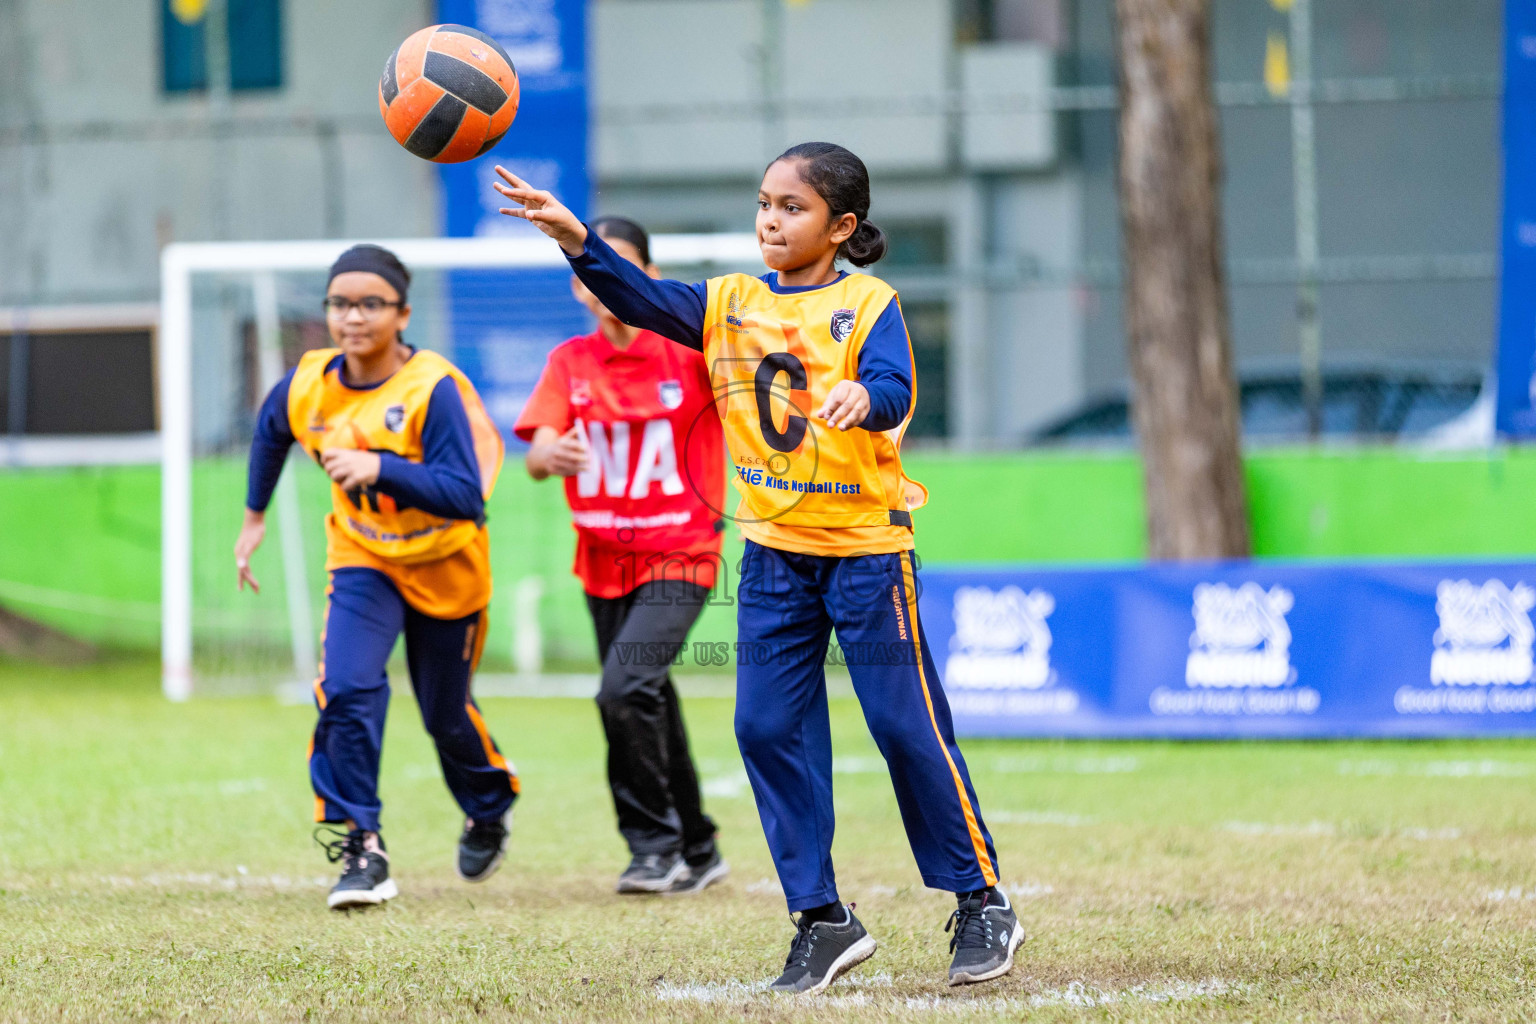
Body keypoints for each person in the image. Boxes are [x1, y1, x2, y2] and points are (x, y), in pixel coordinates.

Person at [491, 144, 1021, 992]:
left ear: (841, 227)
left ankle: (981, 900)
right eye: (765, 203)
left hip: (865, 553)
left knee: (903, 727)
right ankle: (821, 918)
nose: (771, 219)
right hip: (775, 557)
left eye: (793, 207)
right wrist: (574, 237)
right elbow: (641, 296)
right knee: (764, 728)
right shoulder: (726, 302)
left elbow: (893, 386)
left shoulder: (868, 302)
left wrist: (864, 399)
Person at [236, 244, 518, 910]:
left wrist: (380, 469)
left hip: (446, 561)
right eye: (339, 303)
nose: (352, 317)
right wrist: (254, 516)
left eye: (369, 303)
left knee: (445, 714)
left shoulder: (432, 388)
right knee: (346, 688)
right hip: (364, 558)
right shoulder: (310, 381)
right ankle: (364, 845)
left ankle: (488, 802)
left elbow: (465, 494)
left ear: (402, 313)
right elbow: (272, 429)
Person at [513, 216, 730, 896]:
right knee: (649, 697)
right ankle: (699, 844)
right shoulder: (569, 362)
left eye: (618, 264)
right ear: (579, 284)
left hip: (683, 553)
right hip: (603, 559)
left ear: (649, 278)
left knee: (623, 688)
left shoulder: (691, 353)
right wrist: (550, 454)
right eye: (590, 265)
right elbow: (538, 453)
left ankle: (652, 846)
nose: (602, 279)